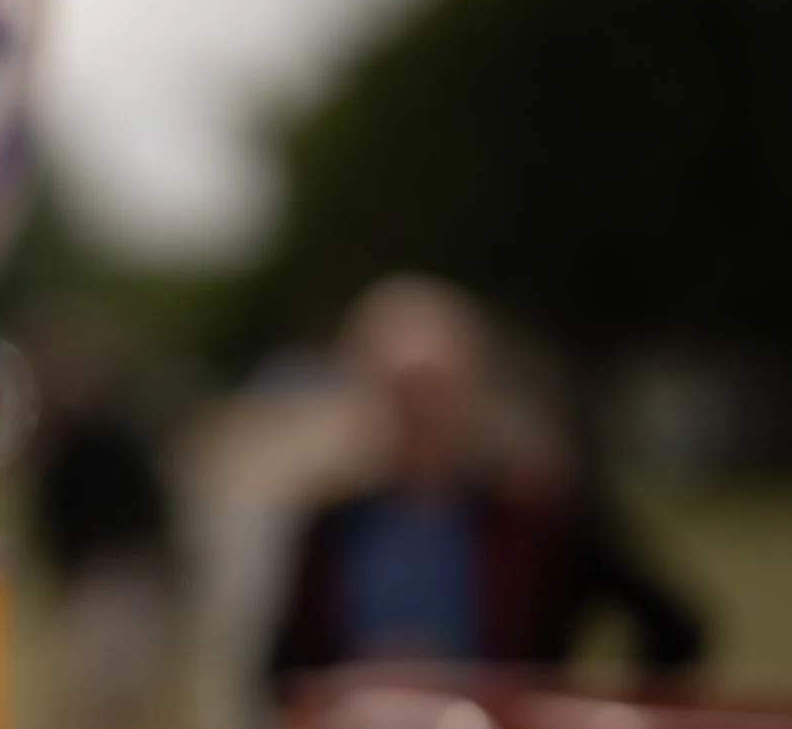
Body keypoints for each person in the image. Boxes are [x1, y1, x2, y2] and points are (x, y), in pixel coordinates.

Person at [268, 276, 705, 682]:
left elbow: (673, 625)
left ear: (472, 384)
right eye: (399, 390)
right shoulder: (335, 525)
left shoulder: (536, 513)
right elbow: (283, 673)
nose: (418, 413)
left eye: (434, 388)